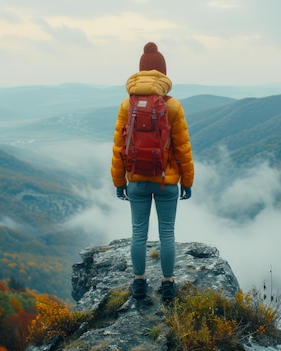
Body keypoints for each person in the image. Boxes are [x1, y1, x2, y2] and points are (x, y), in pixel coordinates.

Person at [111, 42, 194, 302]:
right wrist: (187, 181)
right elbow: (183, 148)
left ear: (140, 71)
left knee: (139, 233)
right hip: (165, 181)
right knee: (167, 232)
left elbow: (118, 146)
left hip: (136, 179)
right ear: (163, 73)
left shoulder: (127, 105)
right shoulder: (173, 106)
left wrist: (118, 181)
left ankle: (139, 283)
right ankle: (168, 284)